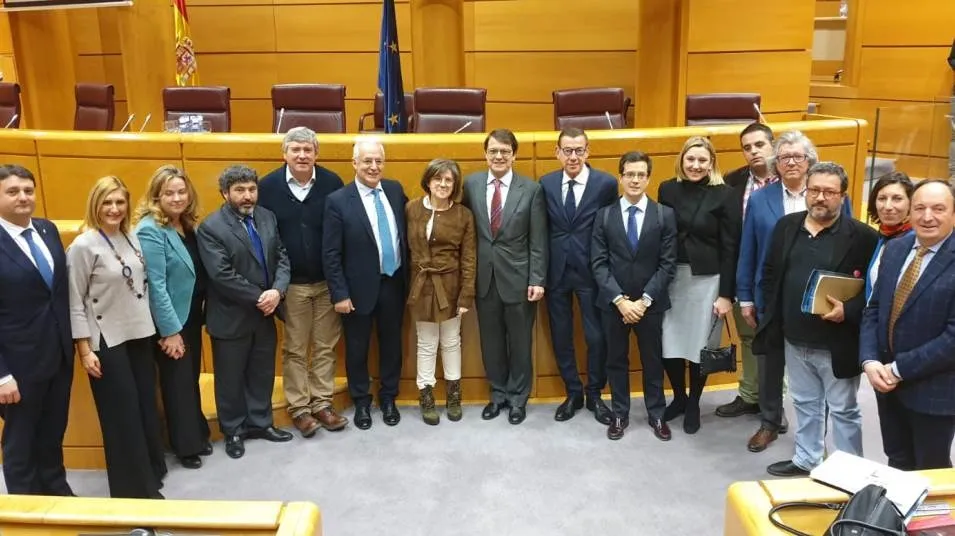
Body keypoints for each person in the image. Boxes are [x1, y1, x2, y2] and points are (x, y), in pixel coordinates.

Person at [755, 162, 878, 477]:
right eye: (814, 190)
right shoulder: (786, 226)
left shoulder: (863, 237)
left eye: (829, 192)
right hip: (794, 337)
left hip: (837, 341)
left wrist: (847, 311)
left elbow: (875, 291)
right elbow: (770, 272)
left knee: (843, 410)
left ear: (843, 196)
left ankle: (851, 472)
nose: (820, 197)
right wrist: (771, 312)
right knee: (805, 403)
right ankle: (807, 459)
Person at [739, 130, 850, 453]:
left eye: (797, 156)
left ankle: (815, 437)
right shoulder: (760, 199)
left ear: (809, 161)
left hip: (819, 295)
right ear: (776, 163)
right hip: (772, 295)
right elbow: (749, 249)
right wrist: (746, 296)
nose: (790, 162)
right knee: (770, 364)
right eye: (784, 157)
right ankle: (770, 422)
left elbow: (849, 243)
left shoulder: (829, 196)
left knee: (819, 367)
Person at [67, 175, 165, 498]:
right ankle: (133, 491)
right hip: (105, 340)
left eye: (120, 202)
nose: (114, 208)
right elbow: (75, 301)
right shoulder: (83, 246)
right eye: (107, 202)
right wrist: (84, 350)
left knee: (144, 407)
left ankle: (151, 473)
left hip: (139, 333)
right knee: (121, 416)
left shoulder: (131, 235)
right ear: (95, 205)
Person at [197, 165, 293, 460]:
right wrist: (261, 297)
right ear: (225, 193)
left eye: (251, 189)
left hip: (265, 312)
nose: (247, 195)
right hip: (231, 315)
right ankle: (234, 431)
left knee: (262, 372)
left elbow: (281, 257)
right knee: (230, 378)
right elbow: (221, 275)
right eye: (239, 190)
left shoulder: (267, 217)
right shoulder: (211, 227)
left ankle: (261, 423)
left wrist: (277, 291)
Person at [258, 127, 348, 438]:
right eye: (295, 149)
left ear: (316, 154)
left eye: (308, 150)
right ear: (284, 153)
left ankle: (322, 403)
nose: (302, 155)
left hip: (327, 282)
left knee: (325, 346)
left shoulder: (331, 183)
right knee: (295, 348)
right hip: (291, 285)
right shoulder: (267, 187)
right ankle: (299, 409)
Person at [861, 180, 955, 470]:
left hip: (935, 391)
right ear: (910, 212)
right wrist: (870, 360)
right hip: (887, 387)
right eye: (920, 208)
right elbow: (874, 308)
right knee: (897, 462)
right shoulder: (896, 248)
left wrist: (897, 369)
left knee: (931, 470)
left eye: (938, 209)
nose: (927, 217)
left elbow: (952, 338)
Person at [462, 128, 548, 426]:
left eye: (505, 151)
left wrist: (537, 279)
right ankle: (497, 394)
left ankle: (518, 399)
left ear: (514, 155)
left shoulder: (531, 190)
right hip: (484, 278)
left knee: (521, 343)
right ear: (485, 154)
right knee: (491, 343)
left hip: (520, 280)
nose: (499, 156)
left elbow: (538, 240)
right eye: (493, 151)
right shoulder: (471, 184)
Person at [591, 152, 677, 441]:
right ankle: (619, 413)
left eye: (641, 175)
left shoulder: (664, 215)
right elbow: (598, 263)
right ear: (621, 177)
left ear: (648, 178)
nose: (635, 180)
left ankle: (657, 414)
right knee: (616, 360)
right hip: (614, 304)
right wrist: (620, 301)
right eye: (630, 174)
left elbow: (667, 264)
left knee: (653, 360)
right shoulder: (604, 215)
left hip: (649, 304)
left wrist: (643, 301)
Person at [323, 139, 408, 430]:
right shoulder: (337, 201)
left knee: (392, 345)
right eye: (367, 161)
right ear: (354, 163)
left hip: (393, 282)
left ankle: (388, 397)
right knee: (357, 348)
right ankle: (361, 401)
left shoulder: (394, 190)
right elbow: (331, 253)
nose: (373, 167)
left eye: (378, 161)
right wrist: (339, 293)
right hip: (356, 290)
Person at [0, 164, 74, 496]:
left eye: (28, 190)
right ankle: (26, 507)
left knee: (53, 432)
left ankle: (57, 491)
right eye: (13, 191)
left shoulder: (47, 229)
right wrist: (1, 375)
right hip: (17, 365)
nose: (23, 197)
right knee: (21, 441)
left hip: (57, 355)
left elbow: (56, 293)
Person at [657, 136, 738, 435]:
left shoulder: (725, 195)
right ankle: (679, 396)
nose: (695, 165)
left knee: (700, 346)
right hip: (671, 276)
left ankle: (694, 403)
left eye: (702, 160)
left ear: (711, 162)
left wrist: (727, 294)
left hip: (708, 280)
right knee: (669, 342)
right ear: (681, 160)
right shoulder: (667, 189)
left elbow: (731, 247)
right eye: (690, 159)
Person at [133, 165, 212, 470]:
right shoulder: (150, 229)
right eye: (169, 193)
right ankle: (185, 446)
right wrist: (169, 332)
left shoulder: (186, 224)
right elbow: (156, 285)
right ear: (156, 196)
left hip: (190, 315)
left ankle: (197, 433)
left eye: (181, 192)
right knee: (177, 383)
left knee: (188, 379)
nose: (177, 198)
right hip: (172, 321)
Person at [540, 127, 617, 424]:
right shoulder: (546, 183)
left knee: (596, 337)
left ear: (588, 151)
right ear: (557, 153)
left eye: (579, 150)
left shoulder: (606, 184)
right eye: (567, 151)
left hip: (592, 272)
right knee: (562, 336)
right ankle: (573, 392)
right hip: (556, 272)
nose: (573, 157)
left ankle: (595, 393)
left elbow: (611, 229)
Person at [405, 159, 476, 425]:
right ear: (428, 180)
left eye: (449, 180)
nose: (443, 184)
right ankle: (426, 397)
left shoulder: (463, 215)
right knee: (425, 343)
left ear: (455, 185)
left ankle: (454, 396)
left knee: (451, 340)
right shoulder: (411, 208)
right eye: (438, 178)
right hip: (421, 287)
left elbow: (469, 258)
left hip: (451, 286)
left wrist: (466, 295)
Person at [716, 122, 777, 420]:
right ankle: (750, 395)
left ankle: (774, 402)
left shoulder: (790, 179)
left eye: (759, 145)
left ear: (773, 145)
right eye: (747, 147)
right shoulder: (733, 181)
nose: (753, 151)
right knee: (749, 336)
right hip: (746, 270)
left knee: (776, 340)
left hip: (779, 274)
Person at [864, 171, 914, 300]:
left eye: (897, 199)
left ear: (911, 203)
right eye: (882, 199)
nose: (888, 206)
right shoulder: (882, 237)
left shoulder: (917, 241)